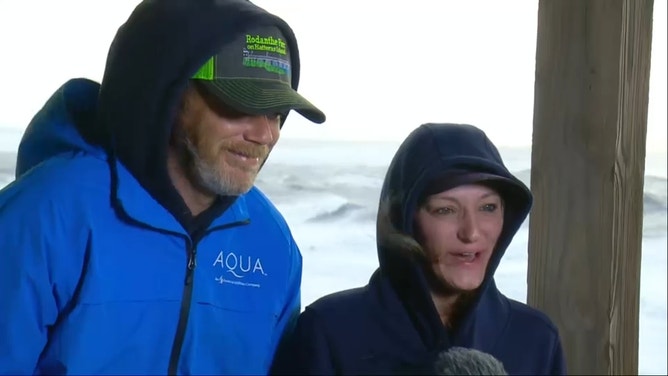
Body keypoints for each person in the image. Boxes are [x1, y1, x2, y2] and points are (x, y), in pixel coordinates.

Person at [0, 0, 325, 374]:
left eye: (275, 112)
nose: (266, 134)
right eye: (242, 106)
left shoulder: (272, 242)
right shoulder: (44, 218)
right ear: (165, 95)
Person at [271, 123, 566, 375]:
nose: (472, 232)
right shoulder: (330, 331)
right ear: (404, 219)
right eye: (445, 210)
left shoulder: (535, 339)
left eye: (488, 207)